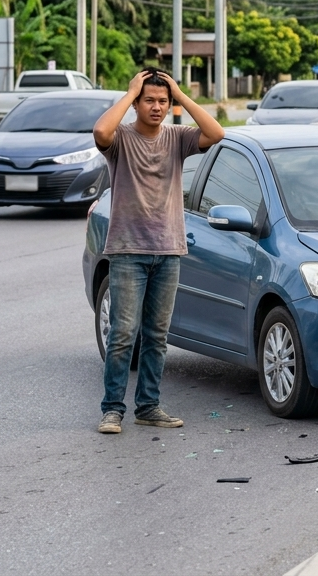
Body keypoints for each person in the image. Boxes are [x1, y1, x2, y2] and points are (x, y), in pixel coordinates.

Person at [92, 68, 225, 435]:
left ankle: (148, 405)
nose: (156, 107)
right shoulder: (120, 139)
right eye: (149, 100)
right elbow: (100, 132)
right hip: (127, 250)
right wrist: (130, 89)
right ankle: (112, 409)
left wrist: (180, 95)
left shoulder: (178, 138)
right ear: (136, 102)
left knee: (157, 335)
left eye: (162, 102)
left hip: (168, 250)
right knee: (122, 334)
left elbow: (216, 133)